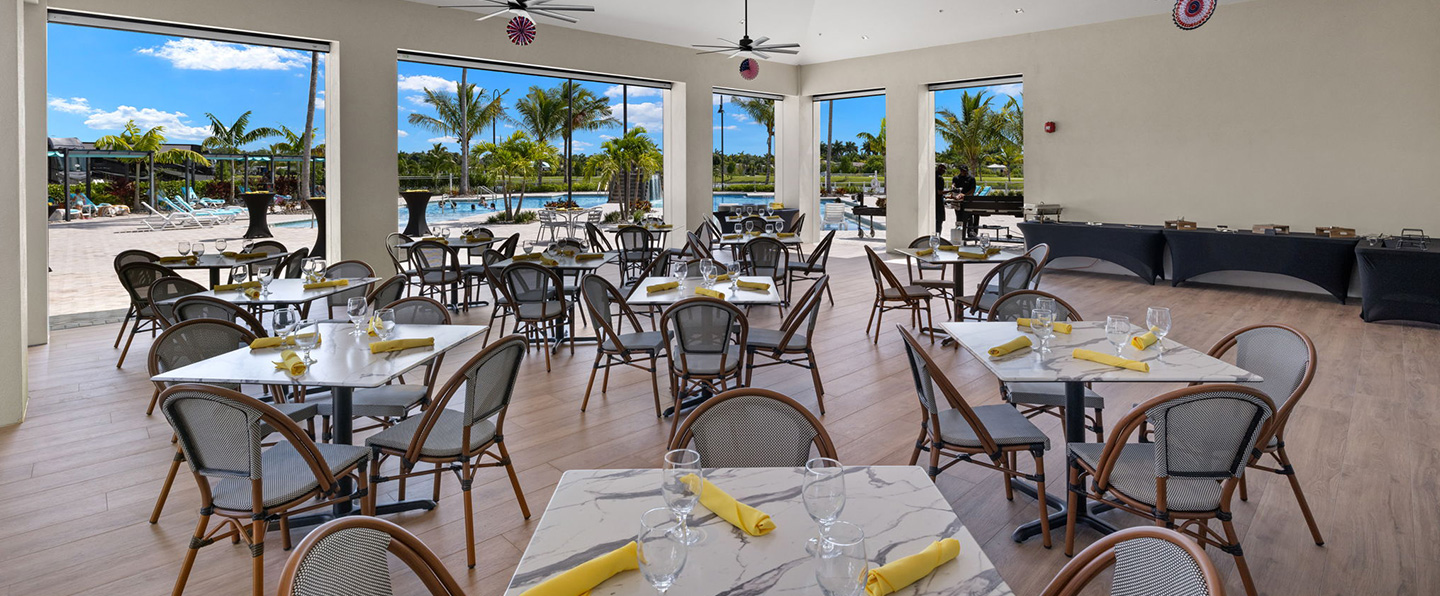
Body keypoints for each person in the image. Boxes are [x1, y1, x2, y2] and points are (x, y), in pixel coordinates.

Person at [952, 165, 979, 238]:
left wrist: (964, 195)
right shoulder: (956, 178)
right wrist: (953, 187)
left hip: (968, 200)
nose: (962, 172)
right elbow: (953, 185)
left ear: (967, 171)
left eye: (964, 170)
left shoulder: (971, 179)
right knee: (958, 216)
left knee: (969, 217)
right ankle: (959, 232)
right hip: (958, 201)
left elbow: (972, 190)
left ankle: (970, 232)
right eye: (961, 170)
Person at [934, 164, 949, 234]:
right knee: (939, 221)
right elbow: (939, 192)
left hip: (932, 202)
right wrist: (951, 191)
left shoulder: (932, 176)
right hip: (938, 203)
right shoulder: (940, 178)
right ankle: (938, 237)